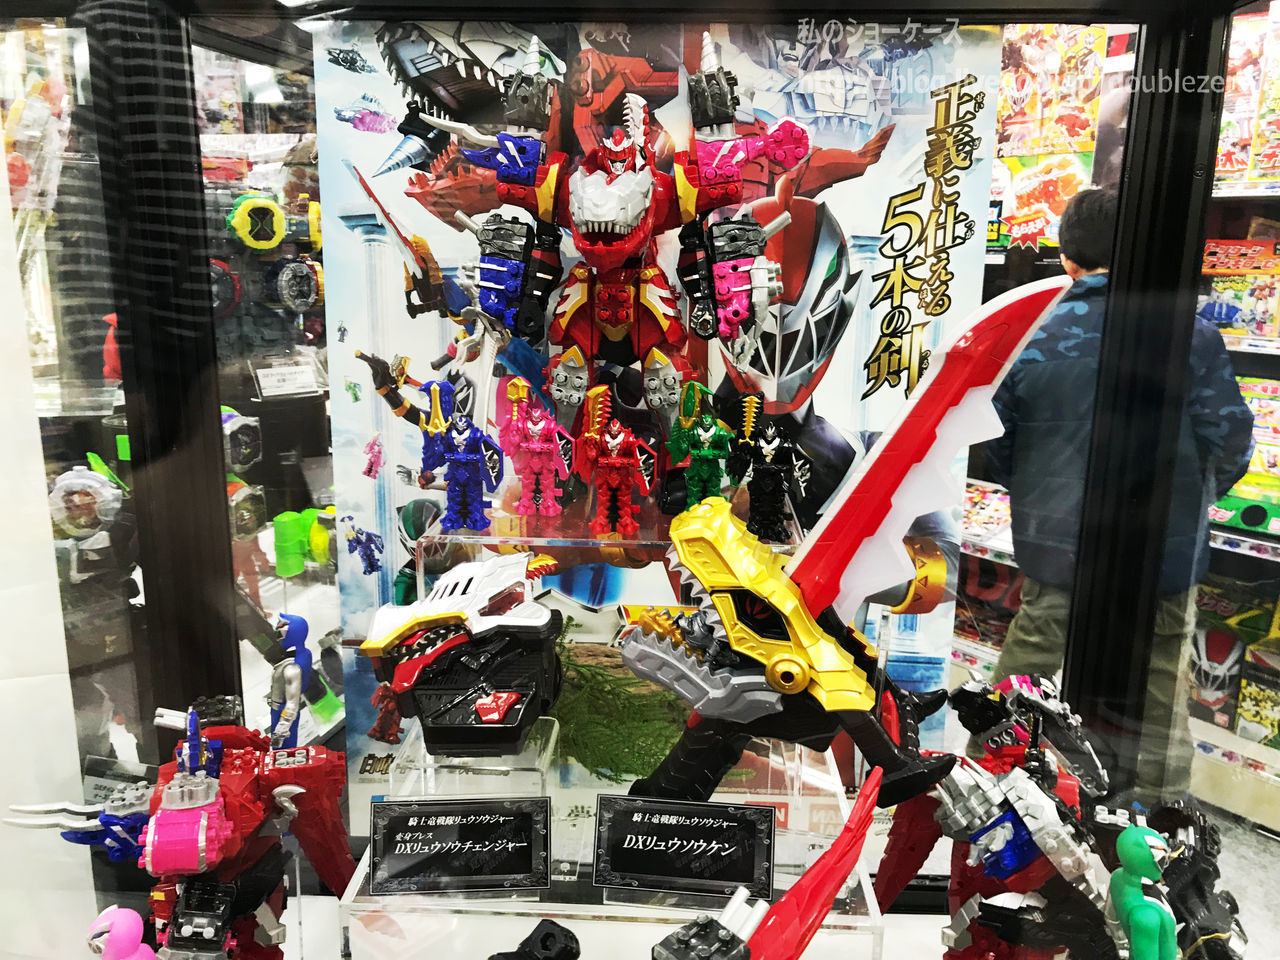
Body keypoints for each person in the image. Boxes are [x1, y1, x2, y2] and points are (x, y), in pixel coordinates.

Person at [983, 186, 1255, 805]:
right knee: (1161, 681)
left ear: (1067, 258)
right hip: (1161, 549)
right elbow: (1231, 440)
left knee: (1028, 667)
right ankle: (1161, 821)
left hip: (1058, 543)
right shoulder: (1190, 335)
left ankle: (993, 794)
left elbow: (997, 444)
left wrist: (1042, 494)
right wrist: (1190, 502)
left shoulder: (1031, 333)